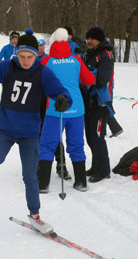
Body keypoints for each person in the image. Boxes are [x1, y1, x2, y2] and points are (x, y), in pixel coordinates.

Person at [0, 30, 72, 234]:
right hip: (4, 129)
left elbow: (60, 91)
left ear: (36, 55)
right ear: (17, 53)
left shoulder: (43, 72)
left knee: (30, 176)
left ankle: (35, 216)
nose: (25, 60)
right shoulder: (8, 66)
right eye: (21, 56)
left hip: (29, 133)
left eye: (30, 56)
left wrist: (64, 99)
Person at [38, 28, 95, 193]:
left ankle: (43, 184)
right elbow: (90, 79)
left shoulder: (46, 61)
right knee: (77, 145)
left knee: (47, 146)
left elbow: (38, 82)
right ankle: (81, 182)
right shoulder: (76, 60)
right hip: (76, 109)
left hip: (54, 109)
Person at [82, 26, 114, 183]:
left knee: (97, 137)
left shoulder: (105, 55)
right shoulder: (90, 54)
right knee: (90, 137)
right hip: (88, 103)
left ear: (99, 40)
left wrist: (86, 76)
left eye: (92, 39)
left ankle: (103, 170)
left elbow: (102, 79)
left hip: (100, 103)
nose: (89, 41)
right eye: (88, 38)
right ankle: (95, 166)